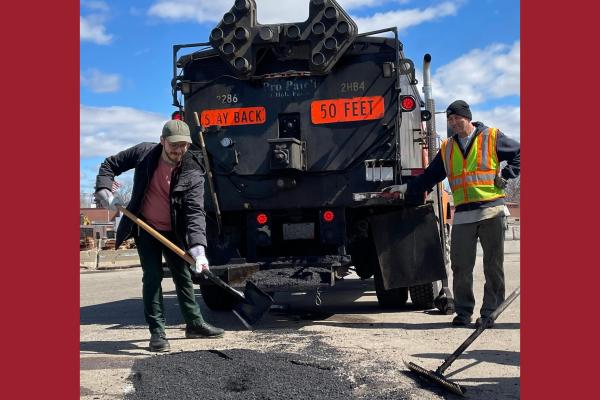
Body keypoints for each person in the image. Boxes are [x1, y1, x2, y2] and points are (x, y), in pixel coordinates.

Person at [384, 100, 520, 328]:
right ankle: (464, 312)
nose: (454, 123)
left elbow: (520, 153)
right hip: (464, 215)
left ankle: (489, 313)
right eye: (450, 119)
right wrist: (406, 188)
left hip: (492, 210)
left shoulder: (492, 137)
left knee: (492, 265)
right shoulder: (447, 147)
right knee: (460, 266)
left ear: (468, 117)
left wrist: (507, 174)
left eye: (458, 118)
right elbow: (430, 176)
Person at [94, 119, 224, 352]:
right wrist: (104, 188)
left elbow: (195, 212)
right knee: (152, 277)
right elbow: (109, 164)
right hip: (145, 226)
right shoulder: (144, 153)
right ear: (162, 141)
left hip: (175, 230)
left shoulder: (193, 169)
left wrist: (199, 250)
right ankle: (157, 332)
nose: (178, 150)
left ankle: (194, 324)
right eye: (174, 144)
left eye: (183, 145)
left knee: (183, 276)